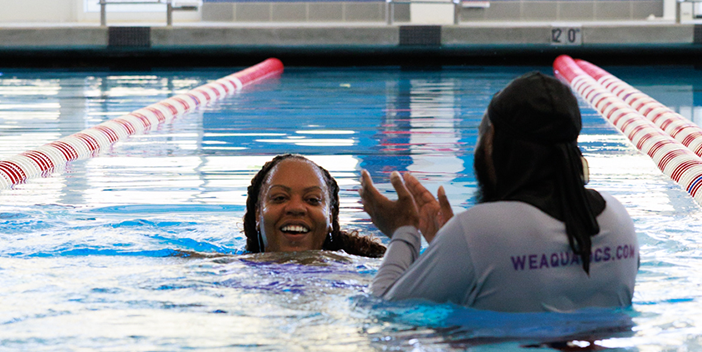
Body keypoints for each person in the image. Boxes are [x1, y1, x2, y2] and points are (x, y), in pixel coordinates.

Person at [360, 72, 638, 313]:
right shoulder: (619, 219)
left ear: (492, 142)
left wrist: (403, 232)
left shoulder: (477, 233)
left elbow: (384, 310)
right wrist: (448, 247)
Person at [244, 153, 386, 257]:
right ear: (258, 214)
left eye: (312, 200)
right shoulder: (228, 268)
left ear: (330, 217)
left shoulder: (362, 267)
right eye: (280, 198)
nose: (296, 208)